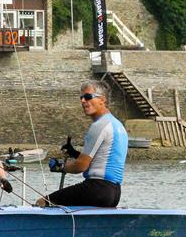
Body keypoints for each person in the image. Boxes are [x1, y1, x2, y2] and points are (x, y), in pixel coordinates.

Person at [37, 80, 127, 208]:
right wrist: (73, 153)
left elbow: (81, 166)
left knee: (42, 202)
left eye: (88, 97)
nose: (83, 101)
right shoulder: (118, 125)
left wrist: (60, 167)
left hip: (96, 189)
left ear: (102, 100)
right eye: (82, 97)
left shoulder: (99, 125)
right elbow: (100, 159)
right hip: (114, 193)